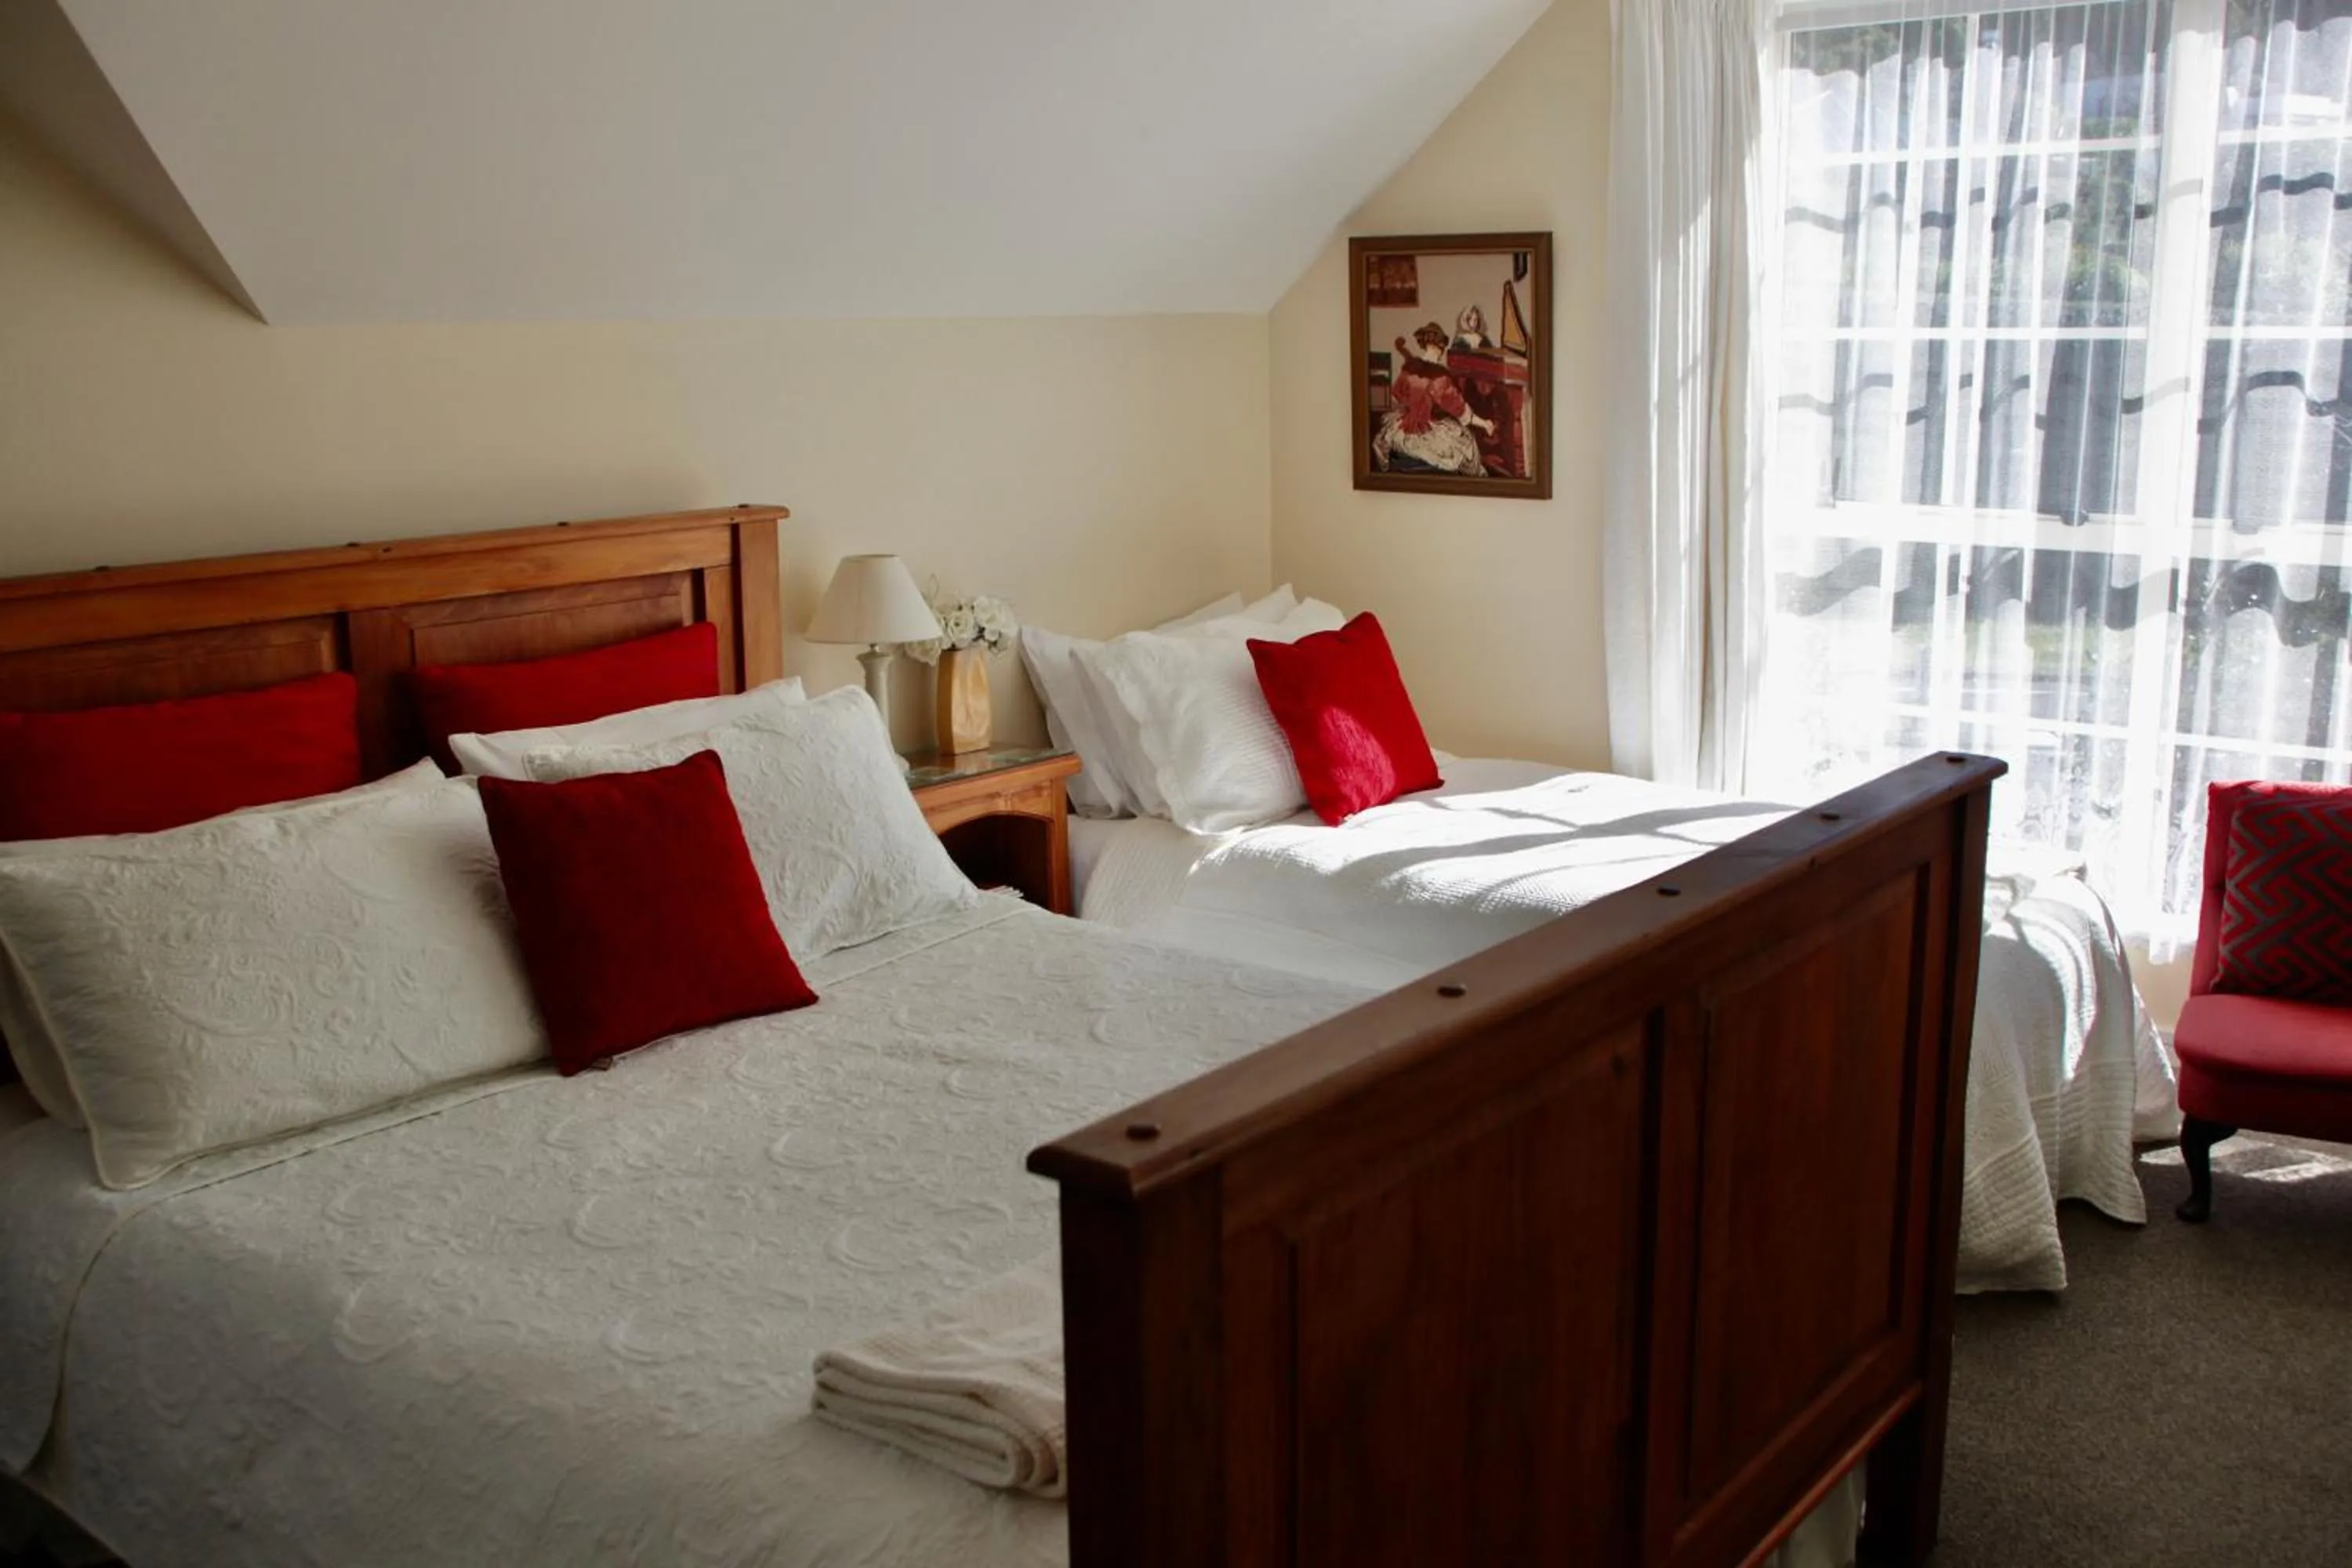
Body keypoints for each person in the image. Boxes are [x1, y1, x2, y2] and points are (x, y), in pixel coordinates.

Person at [1372, 322, 1494, 475]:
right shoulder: (1440, 377)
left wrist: (1415, 401)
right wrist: (1485, 423)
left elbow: (1397, 394)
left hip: (1402, 430)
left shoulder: (1409, 368)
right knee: (1468, 443)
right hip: (1428, 434)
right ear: (1440, 347)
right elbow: (1462, 412)